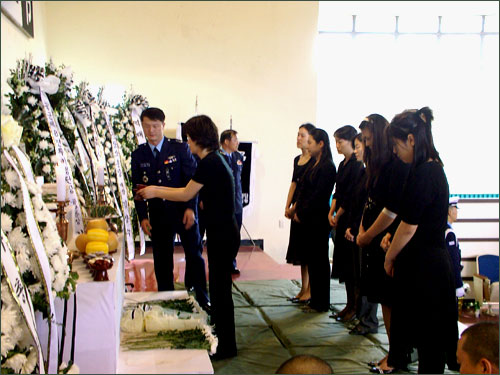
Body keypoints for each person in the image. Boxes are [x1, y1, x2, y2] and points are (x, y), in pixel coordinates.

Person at [135, 114, 239, 360]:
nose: (188, 144)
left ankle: (227, 347)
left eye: (189, 139)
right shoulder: (215, 160)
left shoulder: (209, 162)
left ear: (197, 139)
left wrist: (153, 191)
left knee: (221, 292)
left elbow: (184, 194)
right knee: (219, 288)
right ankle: (222, 335)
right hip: (222, 232)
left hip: (223, 235)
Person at [384, 107, 459, 373]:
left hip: (427, 269)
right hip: (421, 264)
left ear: (411, 140)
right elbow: (412, 219)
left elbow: (409, 226)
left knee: (430, 345)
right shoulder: (424, 169)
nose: (395, 151)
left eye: (396, 145)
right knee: (426, 343)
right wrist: (392, 240)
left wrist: (390, 256)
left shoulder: (427, 172)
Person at [131, 107, 209, 311]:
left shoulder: (180, 149)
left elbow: (193, 181)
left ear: (163, 126)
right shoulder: (139, 155)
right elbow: (137, 189)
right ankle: (166, 297)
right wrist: (142, 217)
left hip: (184, 211)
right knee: (161, 258)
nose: (151, 131)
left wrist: (191, 209)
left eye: (155, 126)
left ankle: (200, 295)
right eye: (147, 126)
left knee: (194, 253)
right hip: (158, 215)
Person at [355, 114, 410, 373]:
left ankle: (396, 356)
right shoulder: (377, 166)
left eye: (368, 139)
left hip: (385, 241)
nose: (366, 145)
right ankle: (394, 353)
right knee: (384, 299)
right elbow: (371, 203)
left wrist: (368, 234)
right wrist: (363, 229)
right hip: (375, 239)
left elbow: (391, 210)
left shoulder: (395, 165)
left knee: (390, 300)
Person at [293, 128, 336, 312]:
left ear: (320, 144)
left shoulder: (327, 166)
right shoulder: (314, 164)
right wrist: (297, 209)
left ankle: (322, 302)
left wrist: (302, 212)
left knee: (320, 262)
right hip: (308, 219)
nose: (307, 146)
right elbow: (302, 189)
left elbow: (319, 195)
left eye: (310, 142)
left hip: (317, 220)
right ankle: (314, 299)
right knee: (313, 261)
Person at [343, 133, 379, 338]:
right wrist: (352, 226)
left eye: (359, 146)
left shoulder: (374, 173)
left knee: (367, 279)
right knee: (358, 277)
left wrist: (360, 229)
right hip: (358, 228)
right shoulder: (364, 172)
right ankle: (361, 315)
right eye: (355, 146)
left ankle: (368, 320)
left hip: (368, 232)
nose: (356, 150)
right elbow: (356, 203)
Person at [329, 125, 362, 322]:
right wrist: (331, 211)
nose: (338, 146)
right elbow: (338, 191)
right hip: (340, 219)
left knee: (352, 268)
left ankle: (354, 307)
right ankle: (349, 305)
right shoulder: (342, 164)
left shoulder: (357, 166)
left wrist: (338, 213)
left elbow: (350, 196)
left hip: (350, 218)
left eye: (340, 142)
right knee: (344, 266)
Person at [285, 123, 315, 303]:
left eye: (302, 135)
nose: (298, 138)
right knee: (300, 253)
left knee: (309, 252)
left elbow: (306, 189)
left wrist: (295, 207)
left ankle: (310, 290)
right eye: (298, 135)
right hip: (295, 208)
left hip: (305, 210)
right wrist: (287, 205)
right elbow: (294, 184)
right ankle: (303, 288)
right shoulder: (297, 159)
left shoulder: (314, 161)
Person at [219, 129, 244, 274]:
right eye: (235, 139)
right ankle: (221, 264)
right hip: (223, 205)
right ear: (226, 141)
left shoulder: (238, 156)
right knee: (223, 236)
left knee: (235, 236)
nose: (237, 142)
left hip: (237, 204)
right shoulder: (218, 157)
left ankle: (231, 263)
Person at [446, 196, 465, 298]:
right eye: (455, 209)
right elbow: (453, 261)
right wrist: (458, 285)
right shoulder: (449, 233)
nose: (457, 212)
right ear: (449, 212)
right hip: (449, 282)